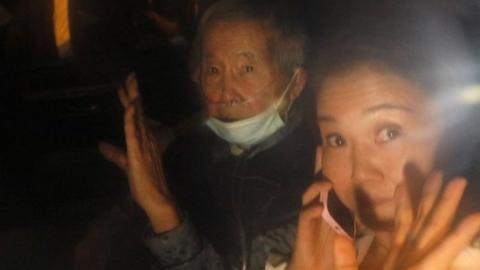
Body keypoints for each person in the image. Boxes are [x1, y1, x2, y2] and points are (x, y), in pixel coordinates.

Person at [99, 0, 316, 269]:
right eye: (213, 70)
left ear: (295, 83)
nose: (225, 92)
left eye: (246, 69)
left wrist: (164, 214)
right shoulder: (194, 152)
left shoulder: (313, 177)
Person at [288, 20, 480, 270]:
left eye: (389, 133)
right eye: (337, 140)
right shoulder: (330, 252)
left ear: (449, 132)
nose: (360, 173)